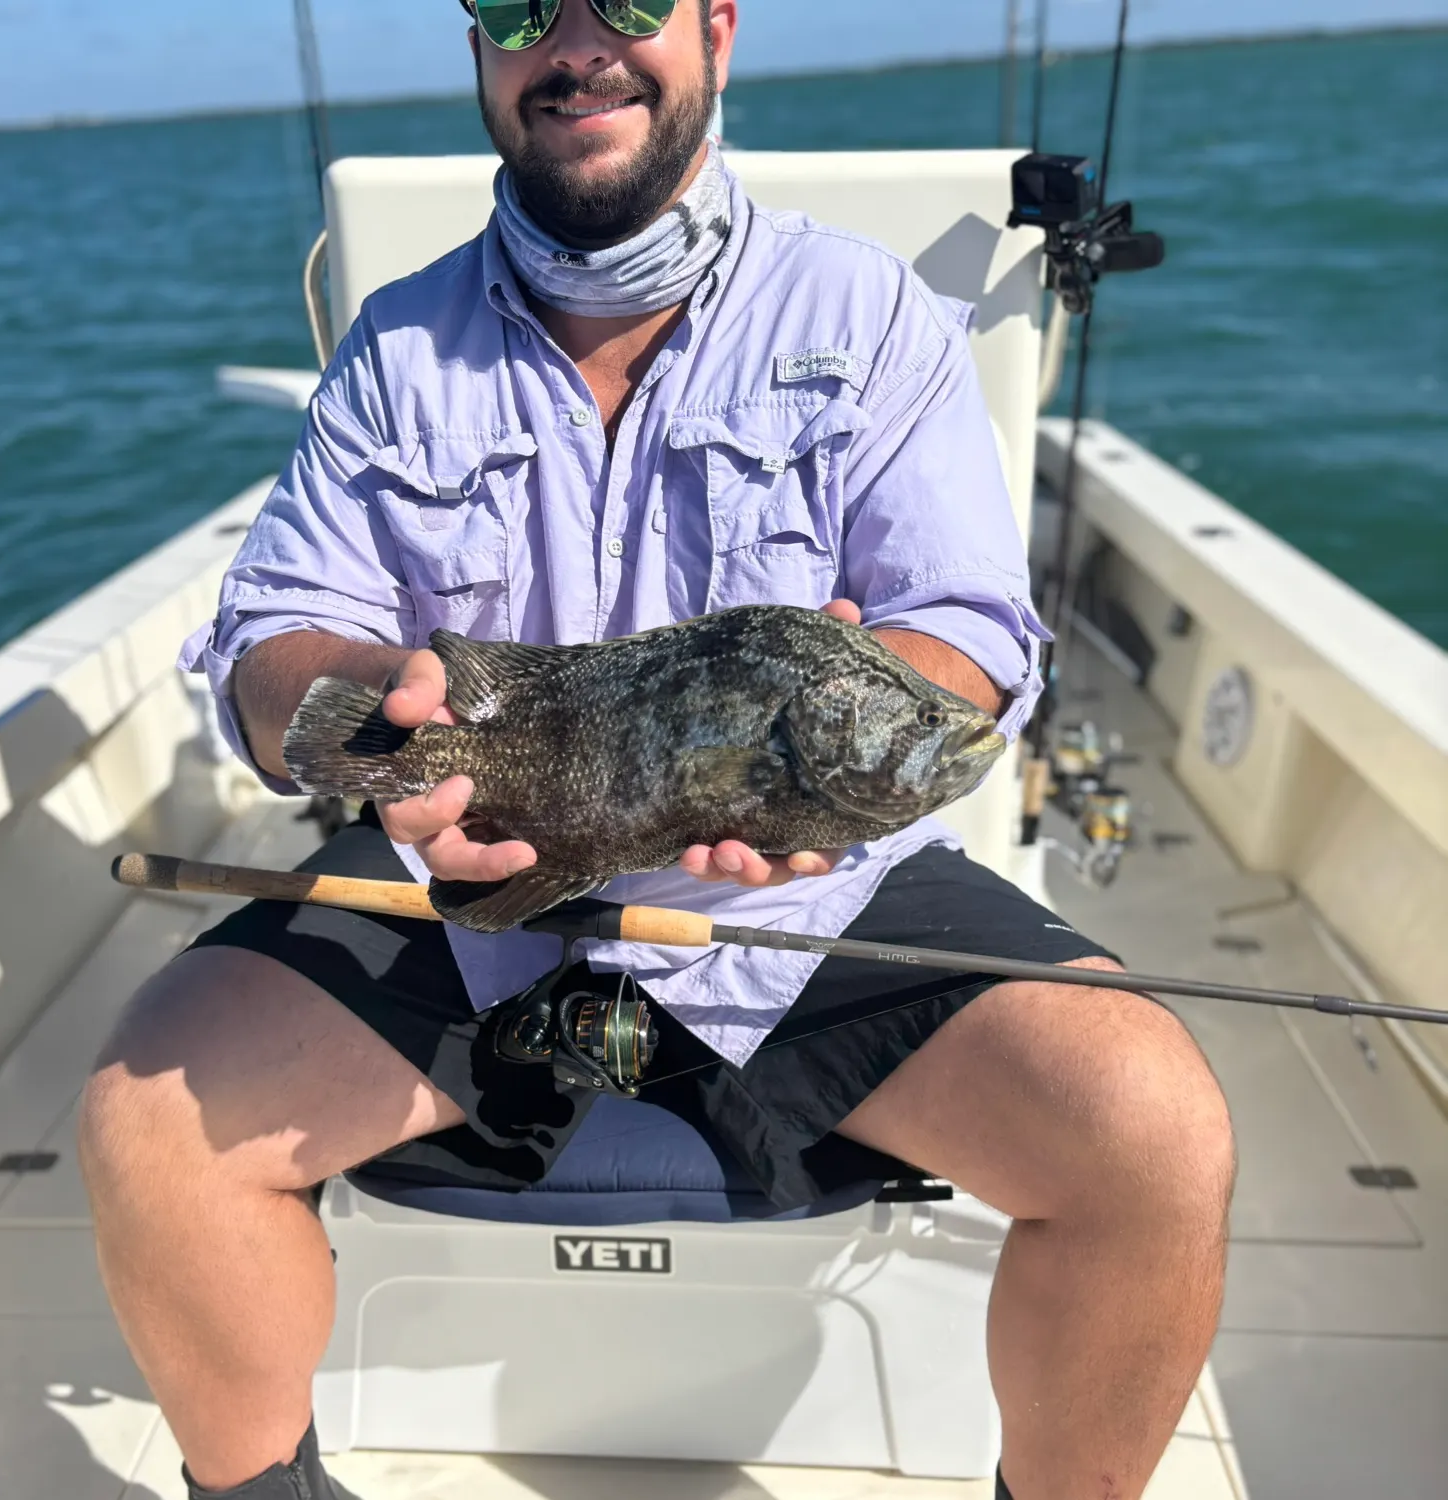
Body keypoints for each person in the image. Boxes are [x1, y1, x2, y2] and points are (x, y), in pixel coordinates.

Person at [78, 3, 1235, 1498]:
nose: (576, 45)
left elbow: (971, 632)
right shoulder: (397, 344)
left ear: (719, 29)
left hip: (804, 908)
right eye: (518, 8)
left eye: (630, 1)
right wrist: (389, 716)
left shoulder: (872, 312)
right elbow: (276, 643)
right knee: (148, 1124)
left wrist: (834, 755)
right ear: (480, 47)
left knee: (1151, 1132)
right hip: (474, 890)